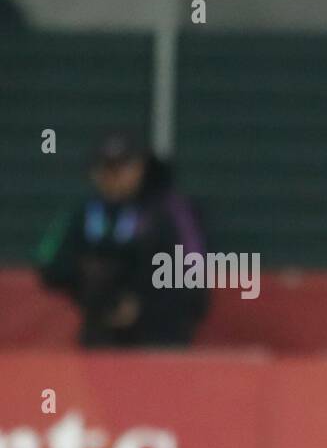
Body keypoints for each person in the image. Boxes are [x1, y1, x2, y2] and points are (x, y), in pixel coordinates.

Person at [35, 132, 209, 348]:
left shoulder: (172, 211)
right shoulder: (83, 214)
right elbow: (51, 265)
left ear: (141, 168)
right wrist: (90, 286)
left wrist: (142, 303)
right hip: (102, 333)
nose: (113, 176)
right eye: (106, 168)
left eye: (122, 167)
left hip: (161, 335)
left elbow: (194, 274)